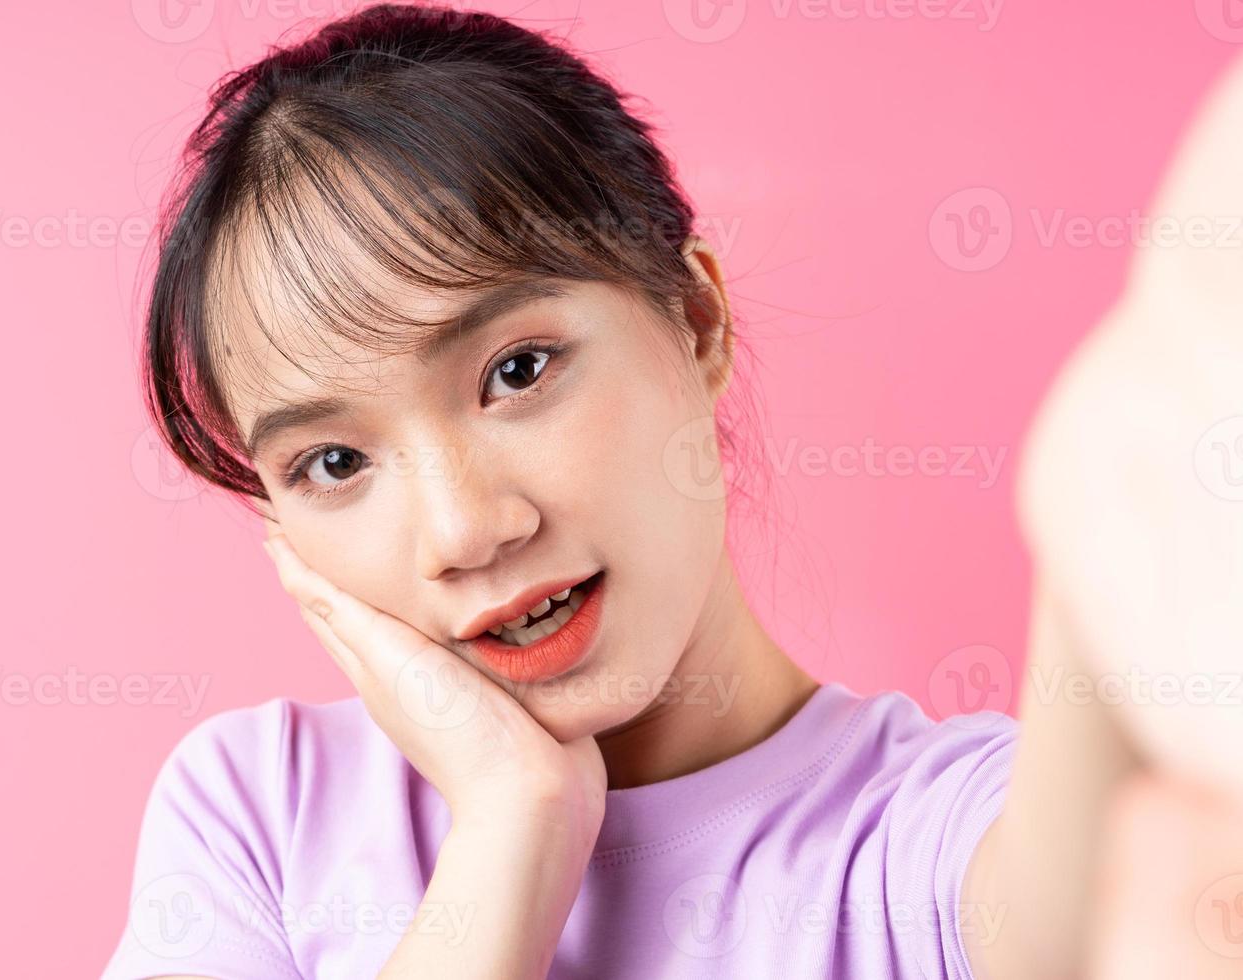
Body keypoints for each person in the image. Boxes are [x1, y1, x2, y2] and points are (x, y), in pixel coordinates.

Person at [101, 5, 1242, 977]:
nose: (462, 528)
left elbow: (1059, 926)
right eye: (333, 464)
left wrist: (1107, 488)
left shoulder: (936, 840)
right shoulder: (260, 814)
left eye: (516, 370)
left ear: (695, 319)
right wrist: (514, 828)